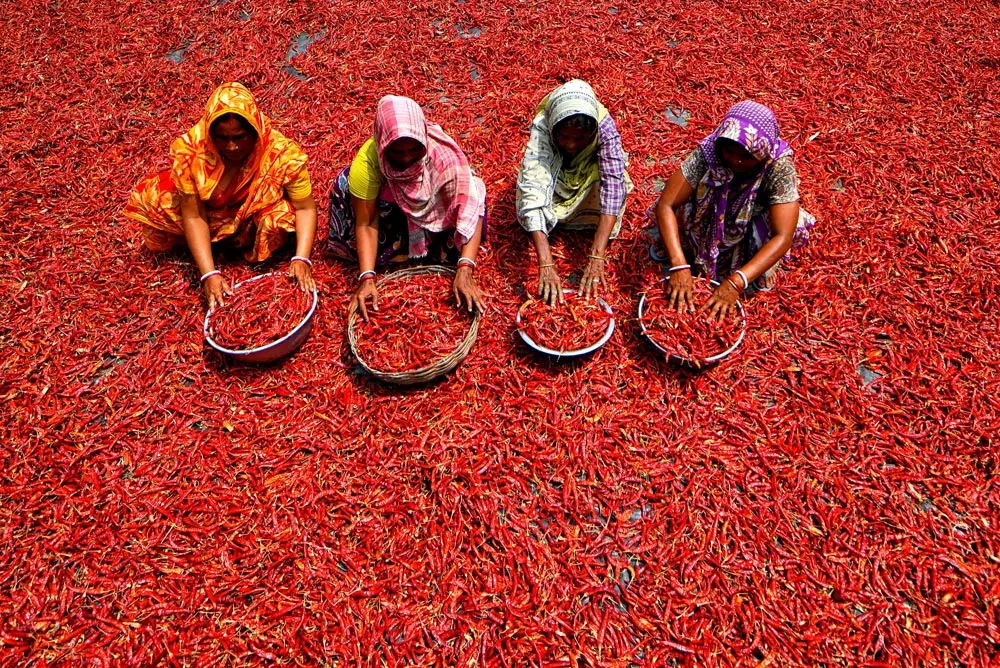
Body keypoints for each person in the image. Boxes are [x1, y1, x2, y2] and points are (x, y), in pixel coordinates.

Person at [124, 82, 317, 308]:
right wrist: (208, 274)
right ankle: (219, 243)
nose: (232, 147)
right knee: (156, 204)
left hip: (250, 211)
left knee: (281, 218)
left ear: (255, 130)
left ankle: (232, 239)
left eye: (240, 137)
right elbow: (194, 215)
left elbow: (305, 207)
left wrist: (302, 258)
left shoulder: (282, 154)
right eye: (222, 138)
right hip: (211, 213)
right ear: (209, 133)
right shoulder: (191, 152)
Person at [651, 100, 815, 320]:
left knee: (786, 224)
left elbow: (782, 236)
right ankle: (687, 250)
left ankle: (762, 267)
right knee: (682, 204)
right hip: (711, 212)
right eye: (729, 152)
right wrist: (678, 264)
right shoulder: (710, 150)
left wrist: (738, 281)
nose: (735, 161)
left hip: (751, 219)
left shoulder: (778, 166)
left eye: (747, 157)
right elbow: (666, 204)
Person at [328, 96, 487, 320]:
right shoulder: (367, 164)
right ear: (383, 145)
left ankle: (421, 244)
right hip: (390, 219)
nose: (406, 159)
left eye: (414, 150)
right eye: (396, 152)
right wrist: (366, 277)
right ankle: (399, 249)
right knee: (344, 186)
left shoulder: (442, 155)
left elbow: (470, 205)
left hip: (432, 219)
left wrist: (465, 268)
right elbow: (366, 221)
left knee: (474, 192)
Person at [516, 79, 632, 305]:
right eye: (564, 137)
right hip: (556, 174)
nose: (570, 145)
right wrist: (546, 262)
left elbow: (613, 186)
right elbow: (533, 185)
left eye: (579, 139)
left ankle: (585, 219)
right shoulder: (544, 125)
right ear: (553, 128)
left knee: (614, 182)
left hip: (585, 174)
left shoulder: (604, 128)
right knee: (528, 196)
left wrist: (597, 255)